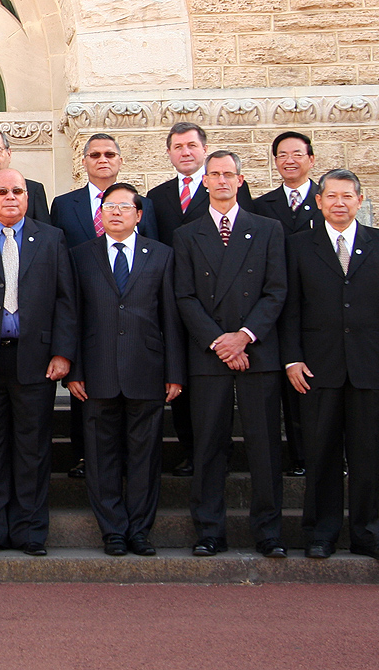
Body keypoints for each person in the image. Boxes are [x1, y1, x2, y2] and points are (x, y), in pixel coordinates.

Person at [281, 169, 379, 562]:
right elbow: (290, 309)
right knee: (320, 452)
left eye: (347, 196)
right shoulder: (298, 245)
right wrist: (292, 358)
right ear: (319, 201)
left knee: (366, 452)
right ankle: (320, 533)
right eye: (331, 196)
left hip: (368, 366)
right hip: (316, 368)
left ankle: (367, 534)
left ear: (359, 200)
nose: (339, 203)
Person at [0, 169, 75, 557]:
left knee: (32, 450)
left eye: (17, 191)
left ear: (28, 197)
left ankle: (30, 531)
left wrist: (63, 352)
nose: (10, 197)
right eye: (2, 191)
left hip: (35, 360)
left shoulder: (52, 238)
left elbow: (66, 299)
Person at [173, 150, 287, 559]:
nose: (221, 180)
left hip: (257, 351)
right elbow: (184, 295)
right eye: (214, 174)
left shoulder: (268, 229)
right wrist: (219, 341)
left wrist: (243, 336)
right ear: (204, 181)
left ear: (241, 180)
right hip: (209, 355)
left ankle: (269, 532)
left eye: (229, 174)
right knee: (208, 446)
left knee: (264, 447)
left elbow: (276, 290)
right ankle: (209, 531)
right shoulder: (187, 234)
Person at [67, 183, 184, 557]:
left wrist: (175, 372)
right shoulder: (80, 255)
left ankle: (140, 530)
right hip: (96, 371)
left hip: (146, 370)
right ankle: (113, 530)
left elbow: (171, 317)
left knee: (144, 457)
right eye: (108, 207)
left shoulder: (161, 255)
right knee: (100, 457)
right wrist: (74, 370)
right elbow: (73, 316)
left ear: (139, 214)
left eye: (123, 207)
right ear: (99, 214)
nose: (115, 212)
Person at [49, 133, 158, 478]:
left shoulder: (143, 205)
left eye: (109, 154)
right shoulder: (64, 205)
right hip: (87, 315)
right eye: (94, 154)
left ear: (120, 160)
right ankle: (85, 457)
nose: (102, 159)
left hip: (134, 322)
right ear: (84, 161)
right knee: (87, 400)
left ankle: (127, 459)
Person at [147, 123, 252, 476]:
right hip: (176, 299)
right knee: (181, 376)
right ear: (169, 153)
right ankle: (190, 450)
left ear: (204, 150)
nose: (185, 152)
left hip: (222, 304)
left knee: (218, 387)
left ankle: (220, 452)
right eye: (178, 146)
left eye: (192, 145)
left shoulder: (229, 188)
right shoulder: (157, 196)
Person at [250, 130, 323, 478]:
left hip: (317, 308)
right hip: (273, 306)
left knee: (316, 384)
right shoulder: (262, 206)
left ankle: (321, 455)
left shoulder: (327, 200)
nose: (289, 160)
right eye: (282, 155)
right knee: (282, 384)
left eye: (296, 154)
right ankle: (295, 456)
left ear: (311, 159)